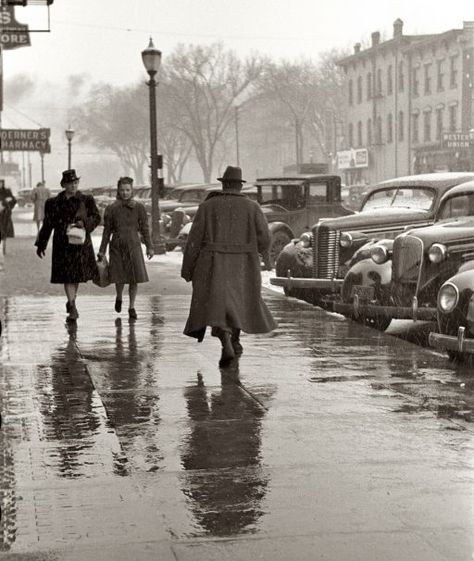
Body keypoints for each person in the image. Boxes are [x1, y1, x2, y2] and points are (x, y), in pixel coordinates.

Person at [181, 165, 277, 366]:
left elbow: (194, 241)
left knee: (217, 304)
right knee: (239, 302)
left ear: (223, 184)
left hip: (213, 263)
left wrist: (188, 268)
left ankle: (225, 338)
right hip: (244, 265)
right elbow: (266, 238)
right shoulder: (253, 208)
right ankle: (235, 339)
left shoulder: (207, 207)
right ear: (240, 186)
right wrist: (259, 253)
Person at [35, 169, 101, 322]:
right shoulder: (53, 203)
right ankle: (72, 306)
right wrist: (41, 244)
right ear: (64, 185)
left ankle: (72, 302)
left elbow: (97, 217)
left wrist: (85, 224)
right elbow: (48, 224)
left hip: (80, 243)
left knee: (75, 276)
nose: (73, 186)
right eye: (70, 183)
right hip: (62, 244)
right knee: (68, 277)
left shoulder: (86, 200)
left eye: (75, 182)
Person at [98, 176, 154, 320]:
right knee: (119, 277)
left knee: (134, 278)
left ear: (132, 190)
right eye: (122, 190)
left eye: (127, 190)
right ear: (118, 190)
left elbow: (145, 229)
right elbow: (106, 232)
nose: (125, 193)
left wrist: (149, 246)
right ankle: (119, 297)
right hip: (117, 246)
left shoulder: (139, 208)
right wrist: (102, 251)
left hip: (134, 245)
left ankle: (132, 307)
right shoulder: (111, 208)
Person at [0, 180, 17, 256]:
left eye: (1, 183)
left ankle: (4, 249)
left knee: (4, 232)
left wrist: (7, 205)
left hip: (5, 214)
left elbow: (14, 200)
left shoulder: (7, 191)